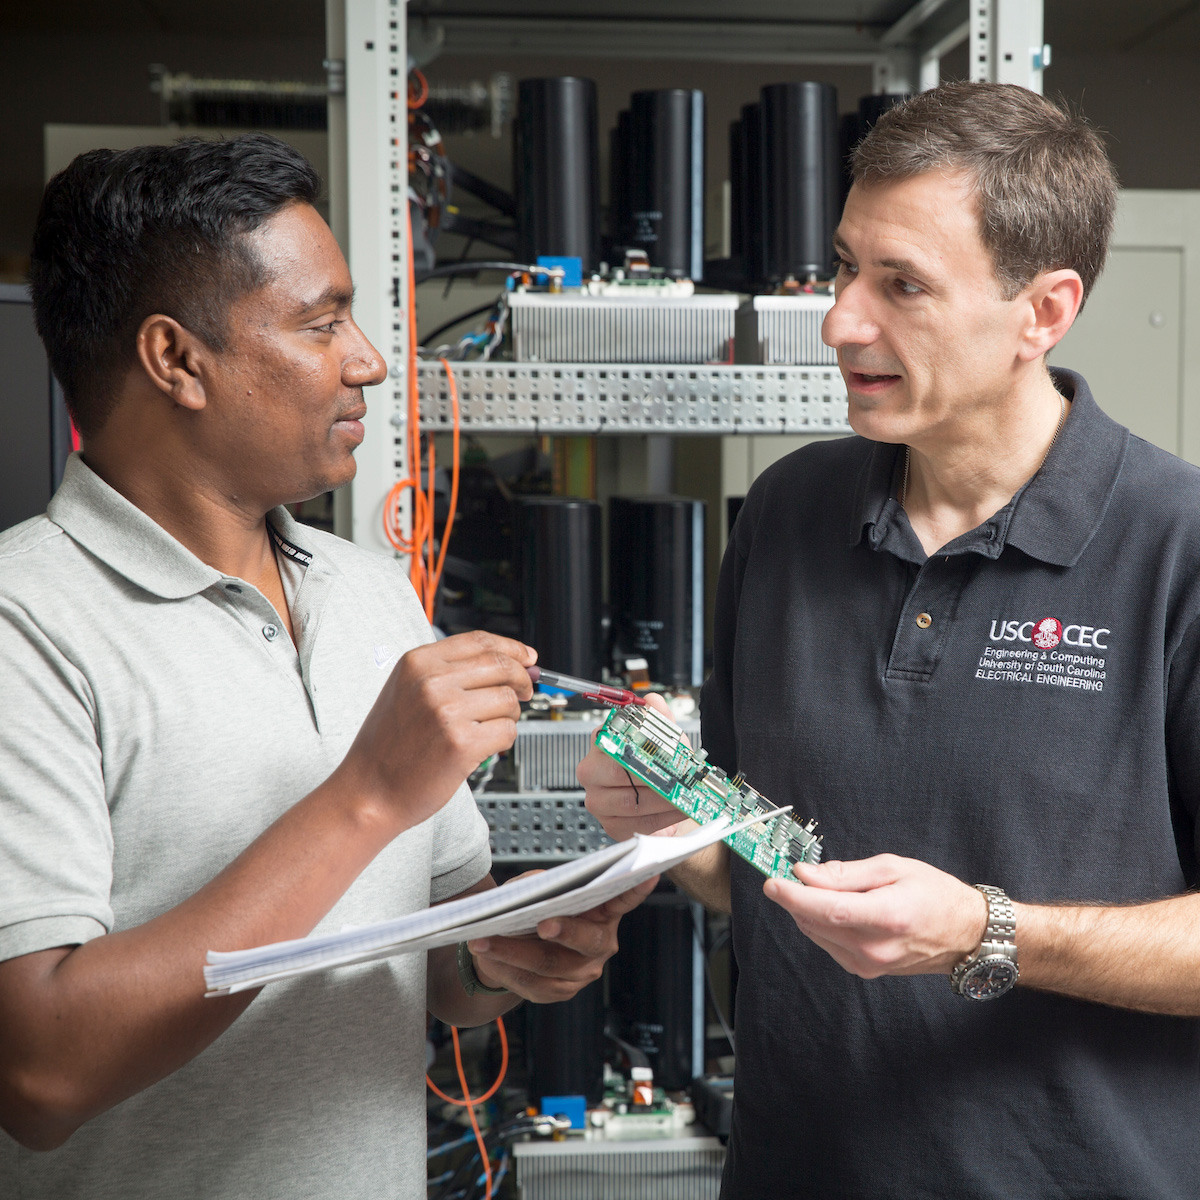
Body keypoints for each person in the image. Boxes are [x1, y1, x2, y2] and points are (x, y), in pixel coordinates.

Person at [0, 134, 652, 1200]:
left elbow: (435, 962)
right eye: (320, 323)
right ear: (176, 361)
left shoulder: (367, 591)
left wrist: (501, 956)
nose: (369, 359)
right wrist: (365, 797)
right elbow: (39, 1072)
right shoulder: (26, 624)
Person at [581, 81, 1200, 1198]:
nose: (840, 321)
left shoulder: (1178, 547)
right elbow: (754, 881)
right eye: (845, 266)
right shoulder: (786, 512)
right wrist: (681, 828)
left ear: (1043, 313)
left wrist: (985, 931)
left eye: (901, 285)